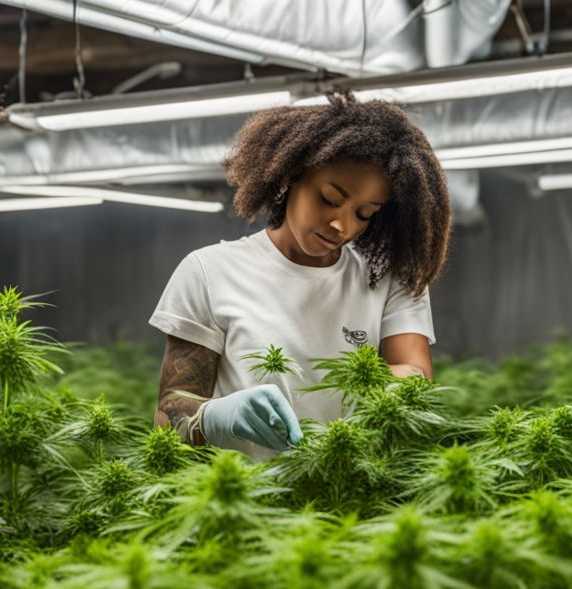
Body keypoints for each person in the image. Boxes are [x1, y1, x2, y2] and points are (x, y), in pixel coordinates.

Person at [150, 92, 451, 459]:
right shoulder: (209, 273)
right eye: (329, 198)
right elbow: (169, 417)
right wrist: (214, 417)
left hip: (356, 503)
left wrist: (386, 386)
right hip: (246, 503)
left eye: (364, 213)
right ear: (290, 176)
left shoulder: (389, 277)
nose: (342, 224)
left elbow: (416, 373)